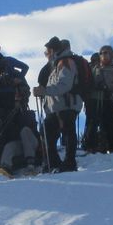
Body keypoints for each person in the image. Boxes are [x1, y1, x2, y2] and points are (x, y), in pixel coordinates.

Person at [33, 37, 81, 172]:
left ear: (52, 50)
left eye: (47, 51)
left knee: (65, 131)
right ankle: (54, 162)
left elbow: (64, 85)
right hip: (59, 106)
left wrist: (44, 91)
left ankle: (68, 162)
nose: (46, 54)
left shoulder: (65, 62)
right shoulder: (59, 63)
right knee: (48, 131)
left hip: (66, 104)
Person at [88, 45, 113, 153]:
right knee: (93, 123)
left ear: (111, 54)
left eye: (105, 53)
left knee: (110, 124)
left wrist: (107, 87)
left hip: (109, 99)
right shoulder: (95, 68)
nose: (103, 55)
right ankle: (92, 147)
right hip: (96, 99)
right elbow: (90, 83)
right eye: (101, 53)